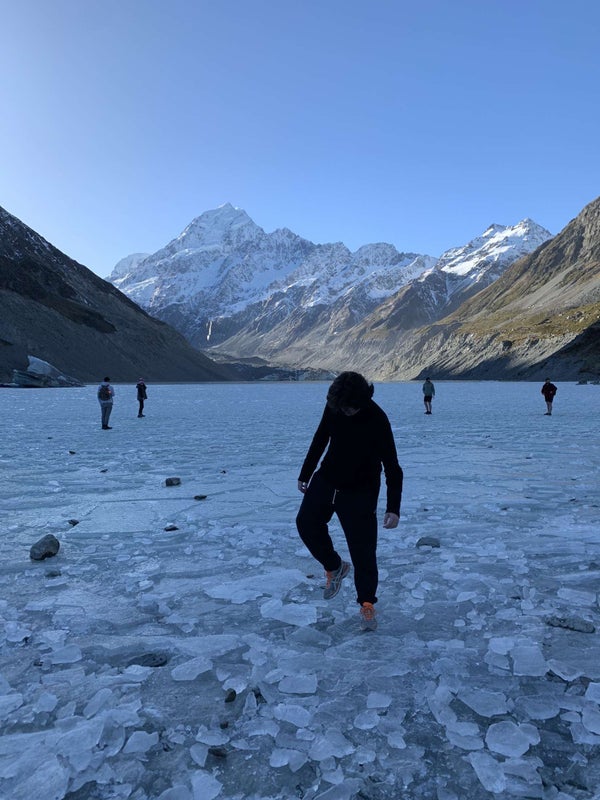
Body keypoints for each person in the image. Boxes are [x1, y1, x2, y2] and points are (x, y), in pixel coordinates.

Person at [296, 372, 403, 631]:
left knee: (363, 551)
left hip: (360, 490)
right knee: (306, 523)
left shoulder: (377, 419)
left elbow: (392, 466)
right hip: (327, 479)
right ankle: (335, 566)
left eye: (350, 408)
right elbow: (320, 438)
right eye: (342, 408)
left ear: (363, 400)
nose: (346, 411)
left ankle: (367, 604)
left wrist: (393, 508)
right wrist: (305, 473)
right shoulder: (335, 406)